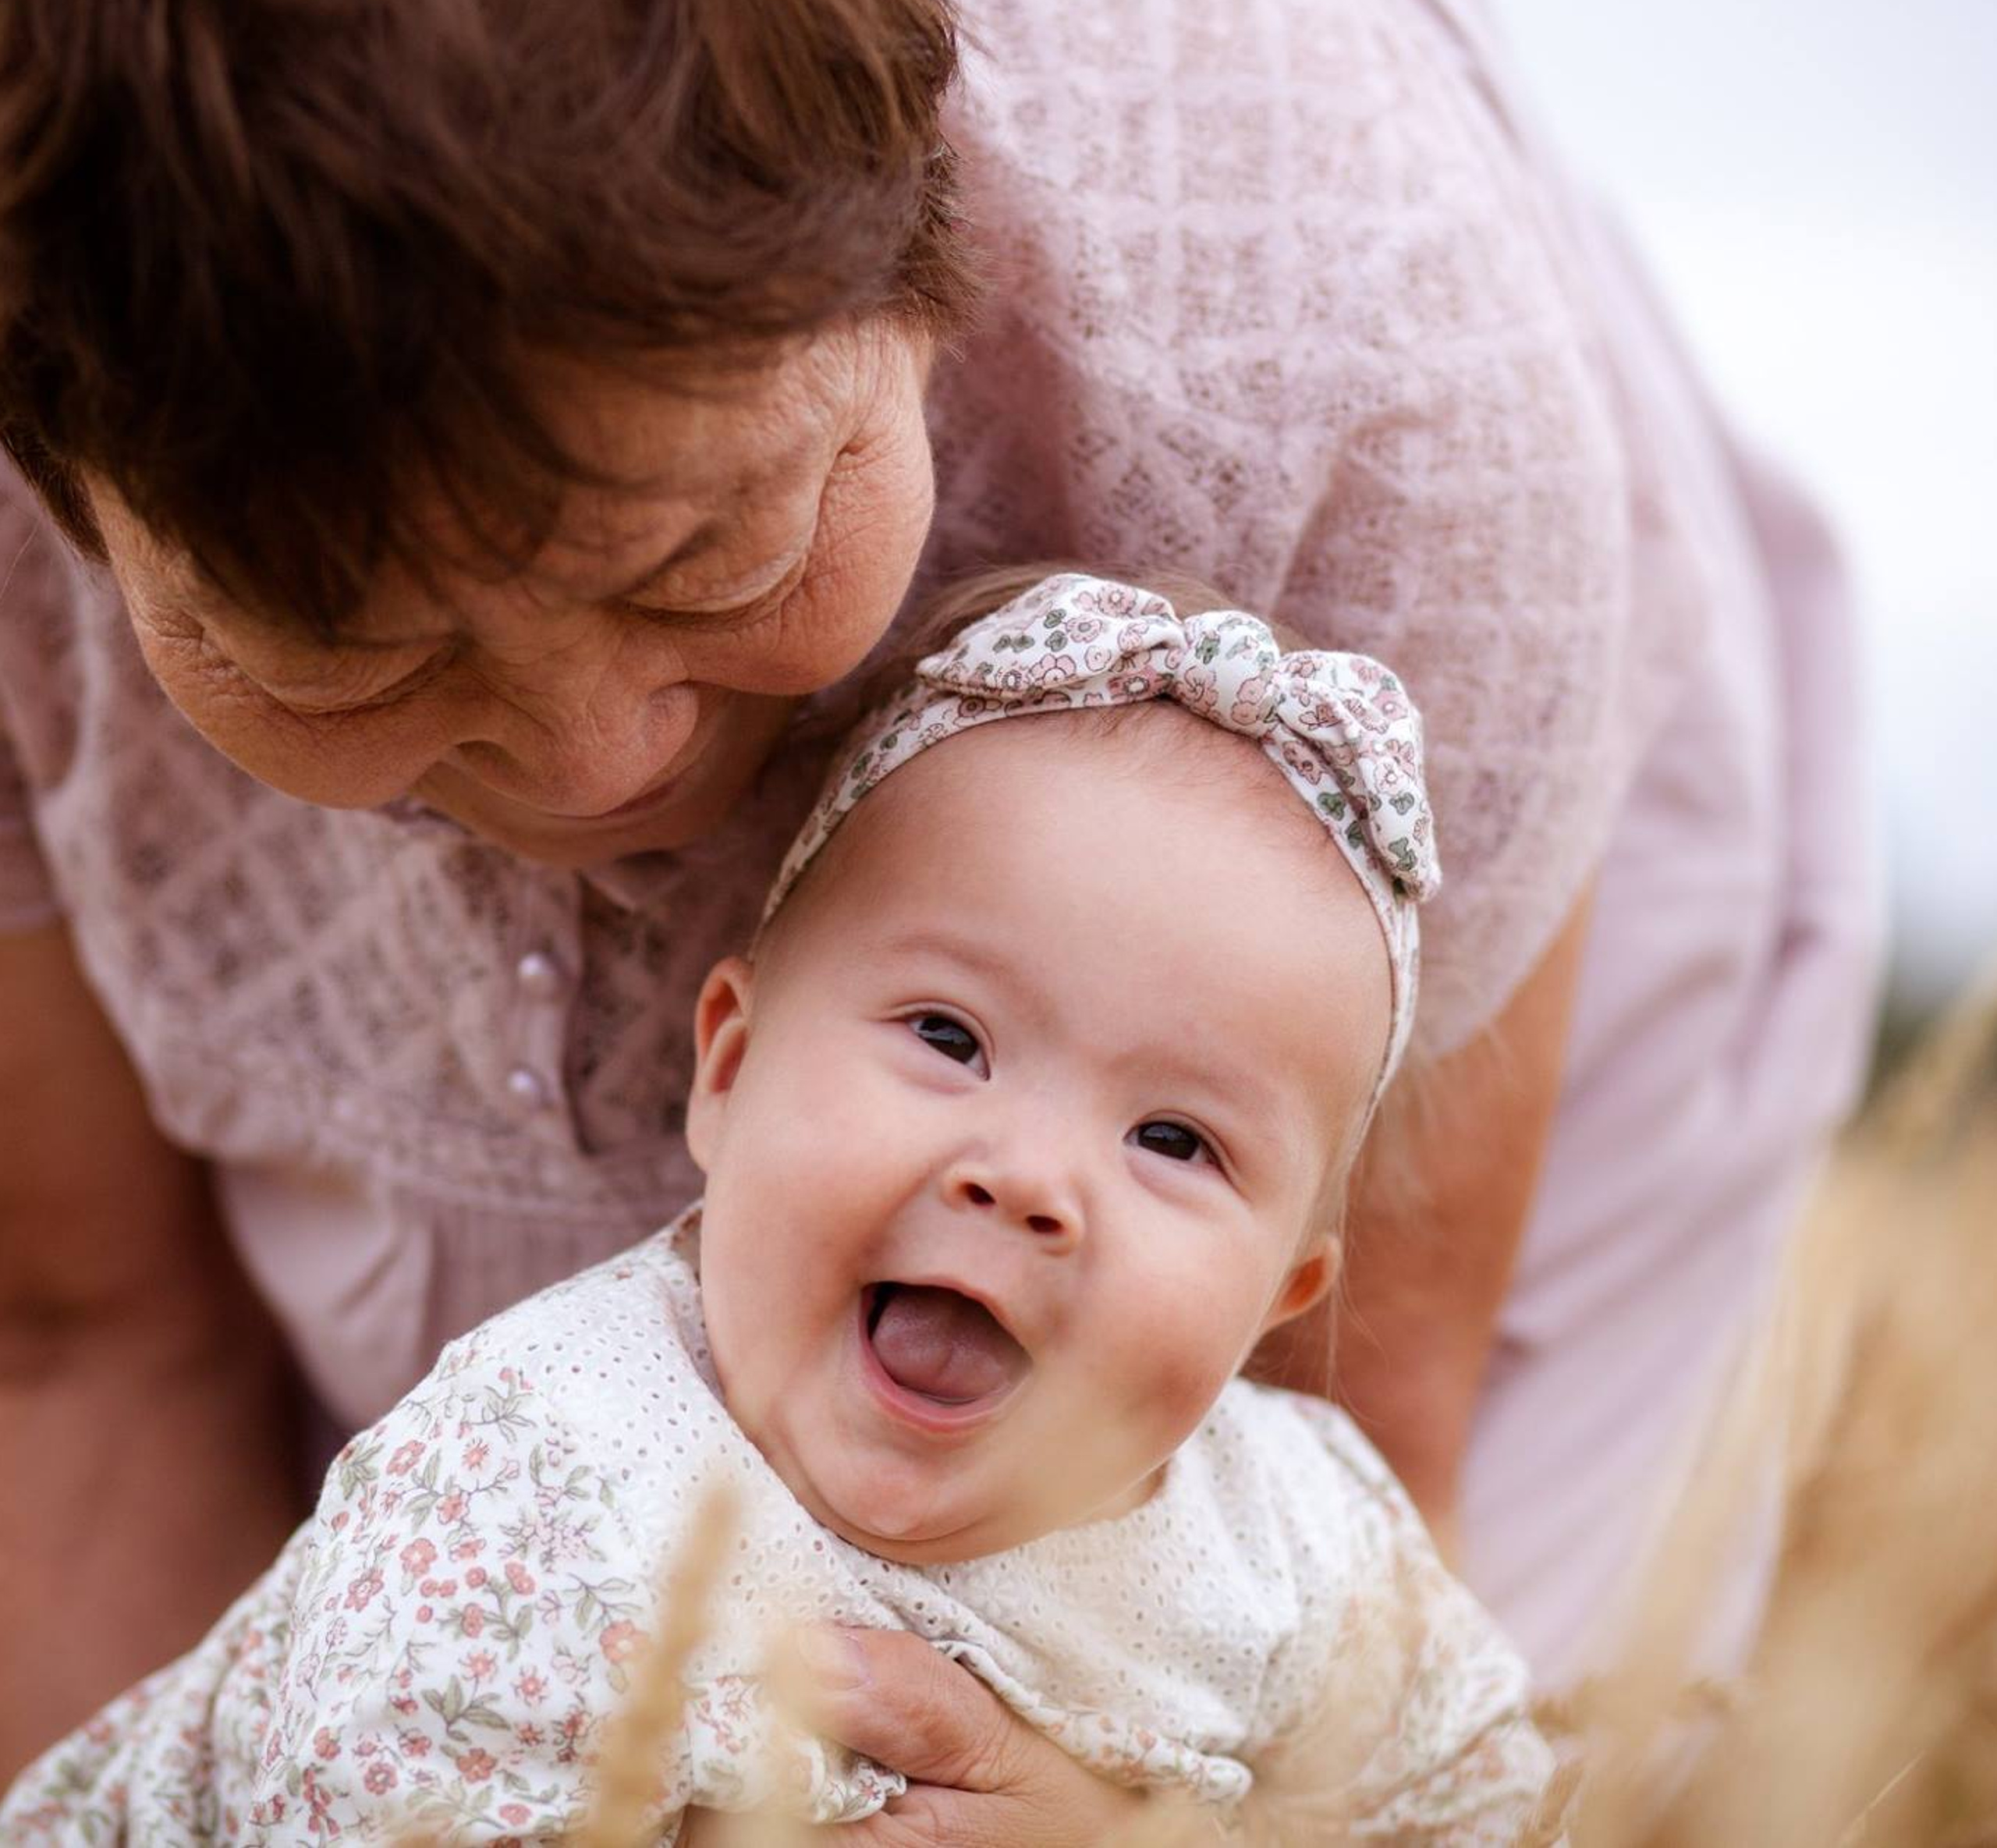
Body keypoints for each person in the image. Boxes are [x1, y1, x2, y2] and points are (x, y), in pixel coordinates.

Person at [0, 0, 1876, 1820]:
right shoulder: (496, 1511)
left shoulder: (1369, 356)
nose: (595, 766)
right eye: (346, 645)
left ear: (920, 244)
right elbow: (77, 1346)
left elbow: (1384, 1471)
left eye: (717, 545)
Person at [1, 574, 1559, 1845]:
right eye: (946, 1037)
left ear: (1274, 1301)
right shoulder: (528, 1491)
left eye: (1170, 1137)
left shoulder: (1292, 1543)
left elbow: (1486, 1805)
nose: (1024, 1177)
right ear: (729, 1069)